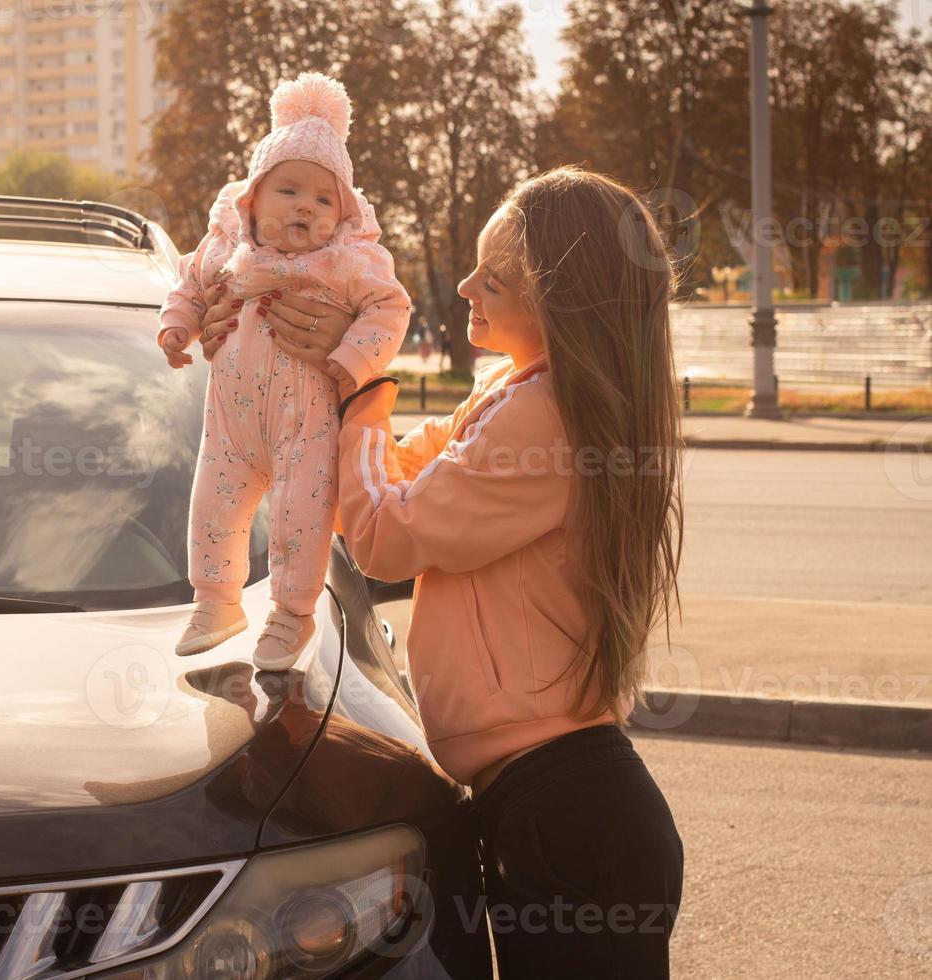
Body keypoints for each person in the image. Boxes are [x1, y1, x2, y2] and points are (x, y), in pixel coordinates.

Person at [203, 166, 687, 977]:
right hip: (556, 808)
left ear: (556, 301)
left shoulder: (547, 417)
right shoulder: (515, 395)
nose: (464, 286)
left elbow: (388, 535)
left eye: (490, 278)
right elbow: (386, 471)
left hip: (568, 813)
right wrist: (320, 371)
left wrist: (359, 385)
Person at [157, 72, 410, 670]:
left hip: (308, 431)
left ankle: (292, 614)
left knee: (301, 522)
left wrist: (351, 358)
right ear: (251, 202)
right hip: (232, 431)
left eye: (324, 200)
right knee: (213, 511)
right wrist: (176, 327)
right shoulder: (224, 252)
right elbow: (190, 285)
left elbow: (390, 308)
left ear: (342, 214)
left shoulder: (348, 262)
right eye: (288, 190)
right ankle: (217, 602)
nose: (305, 206)